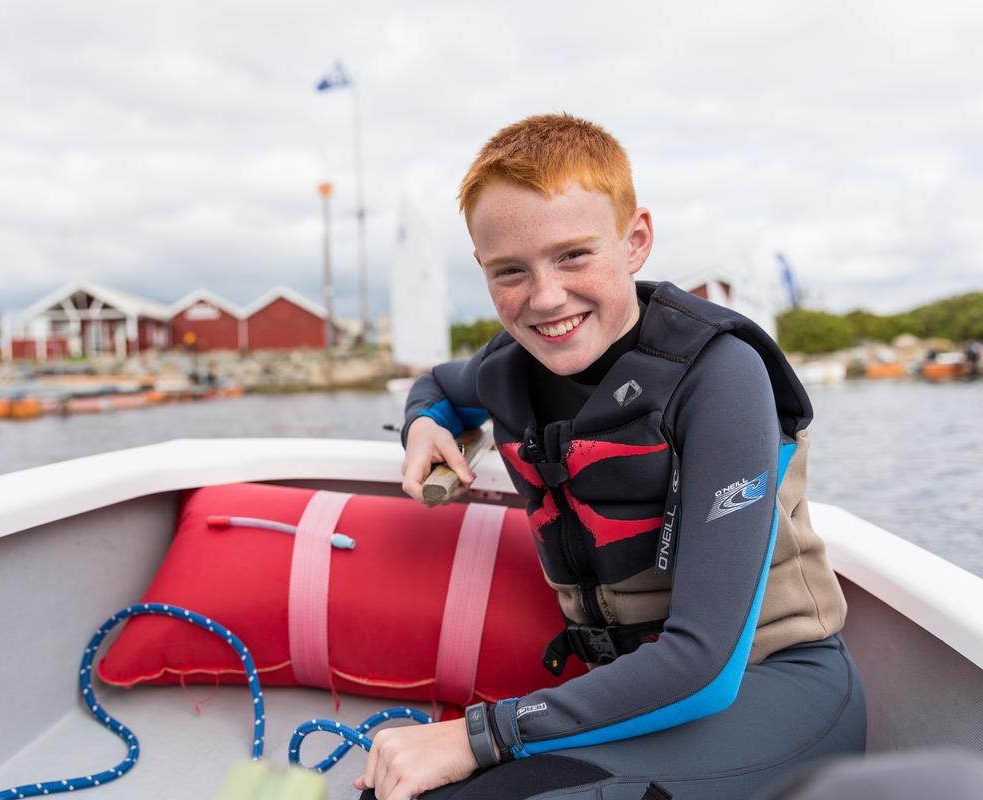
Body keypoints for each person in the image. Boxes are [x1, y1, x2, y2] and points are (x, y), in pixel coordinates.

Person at [354, 114, 866, 800]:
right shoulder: (510, 367)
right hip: (623, 701)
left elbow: (706, 664)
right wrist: (423, 424)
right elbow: (438, 388)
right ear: (483, 270)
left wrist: (477, 735)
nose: (545, 298)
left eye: (573, 256)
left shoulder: (720, 377)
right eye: (511, 271)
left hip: (772, 692)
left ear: (636, 241)